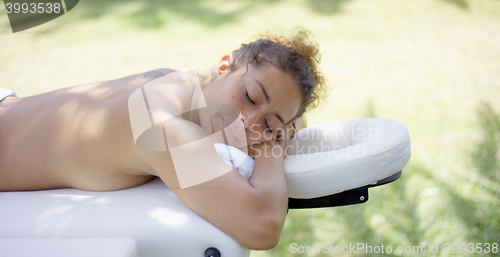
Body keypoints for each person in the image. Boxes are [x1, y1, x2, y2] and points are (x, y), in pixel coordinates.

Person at [0, 27, 326, 250]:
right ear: (224, 66)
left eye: (269, 124)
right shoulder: (159, 121)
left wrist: (274, 124)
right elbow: (262, 225)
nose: (247, 123)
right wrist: (272, 145)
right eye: (251, 97)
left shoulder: (175, 80)